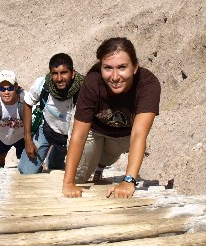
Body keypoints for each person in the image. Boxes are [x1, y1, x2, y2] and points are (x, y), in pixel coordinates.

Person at [62, 37, 161, 198]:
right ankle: (91, 166)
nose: (115, 77)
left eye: (122, 67)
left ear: (135, 67)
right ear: (100, 68)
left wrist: (128, 181)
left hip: (123, 133)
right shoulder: (92, 82)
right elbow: (79, 135)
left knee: (108, 157)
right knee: (80, 176)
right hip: (93, 129)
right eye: (108, 68)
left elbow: (139, 134)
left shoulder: (148, 85)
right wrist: (69, 183)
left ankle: (100, 166)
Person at [18, 53, 84, 174]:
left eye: (64, 72)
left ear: (73, 73)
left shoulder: (84, 88)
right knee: (26, 171)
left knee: (66, 171)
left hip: (73, 136)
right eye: (54, 73)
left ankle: (55, 158)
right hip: (48, 130)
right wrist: (28, 139)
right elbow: (27, 103)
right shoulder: (42, 84)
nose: (59, 78)